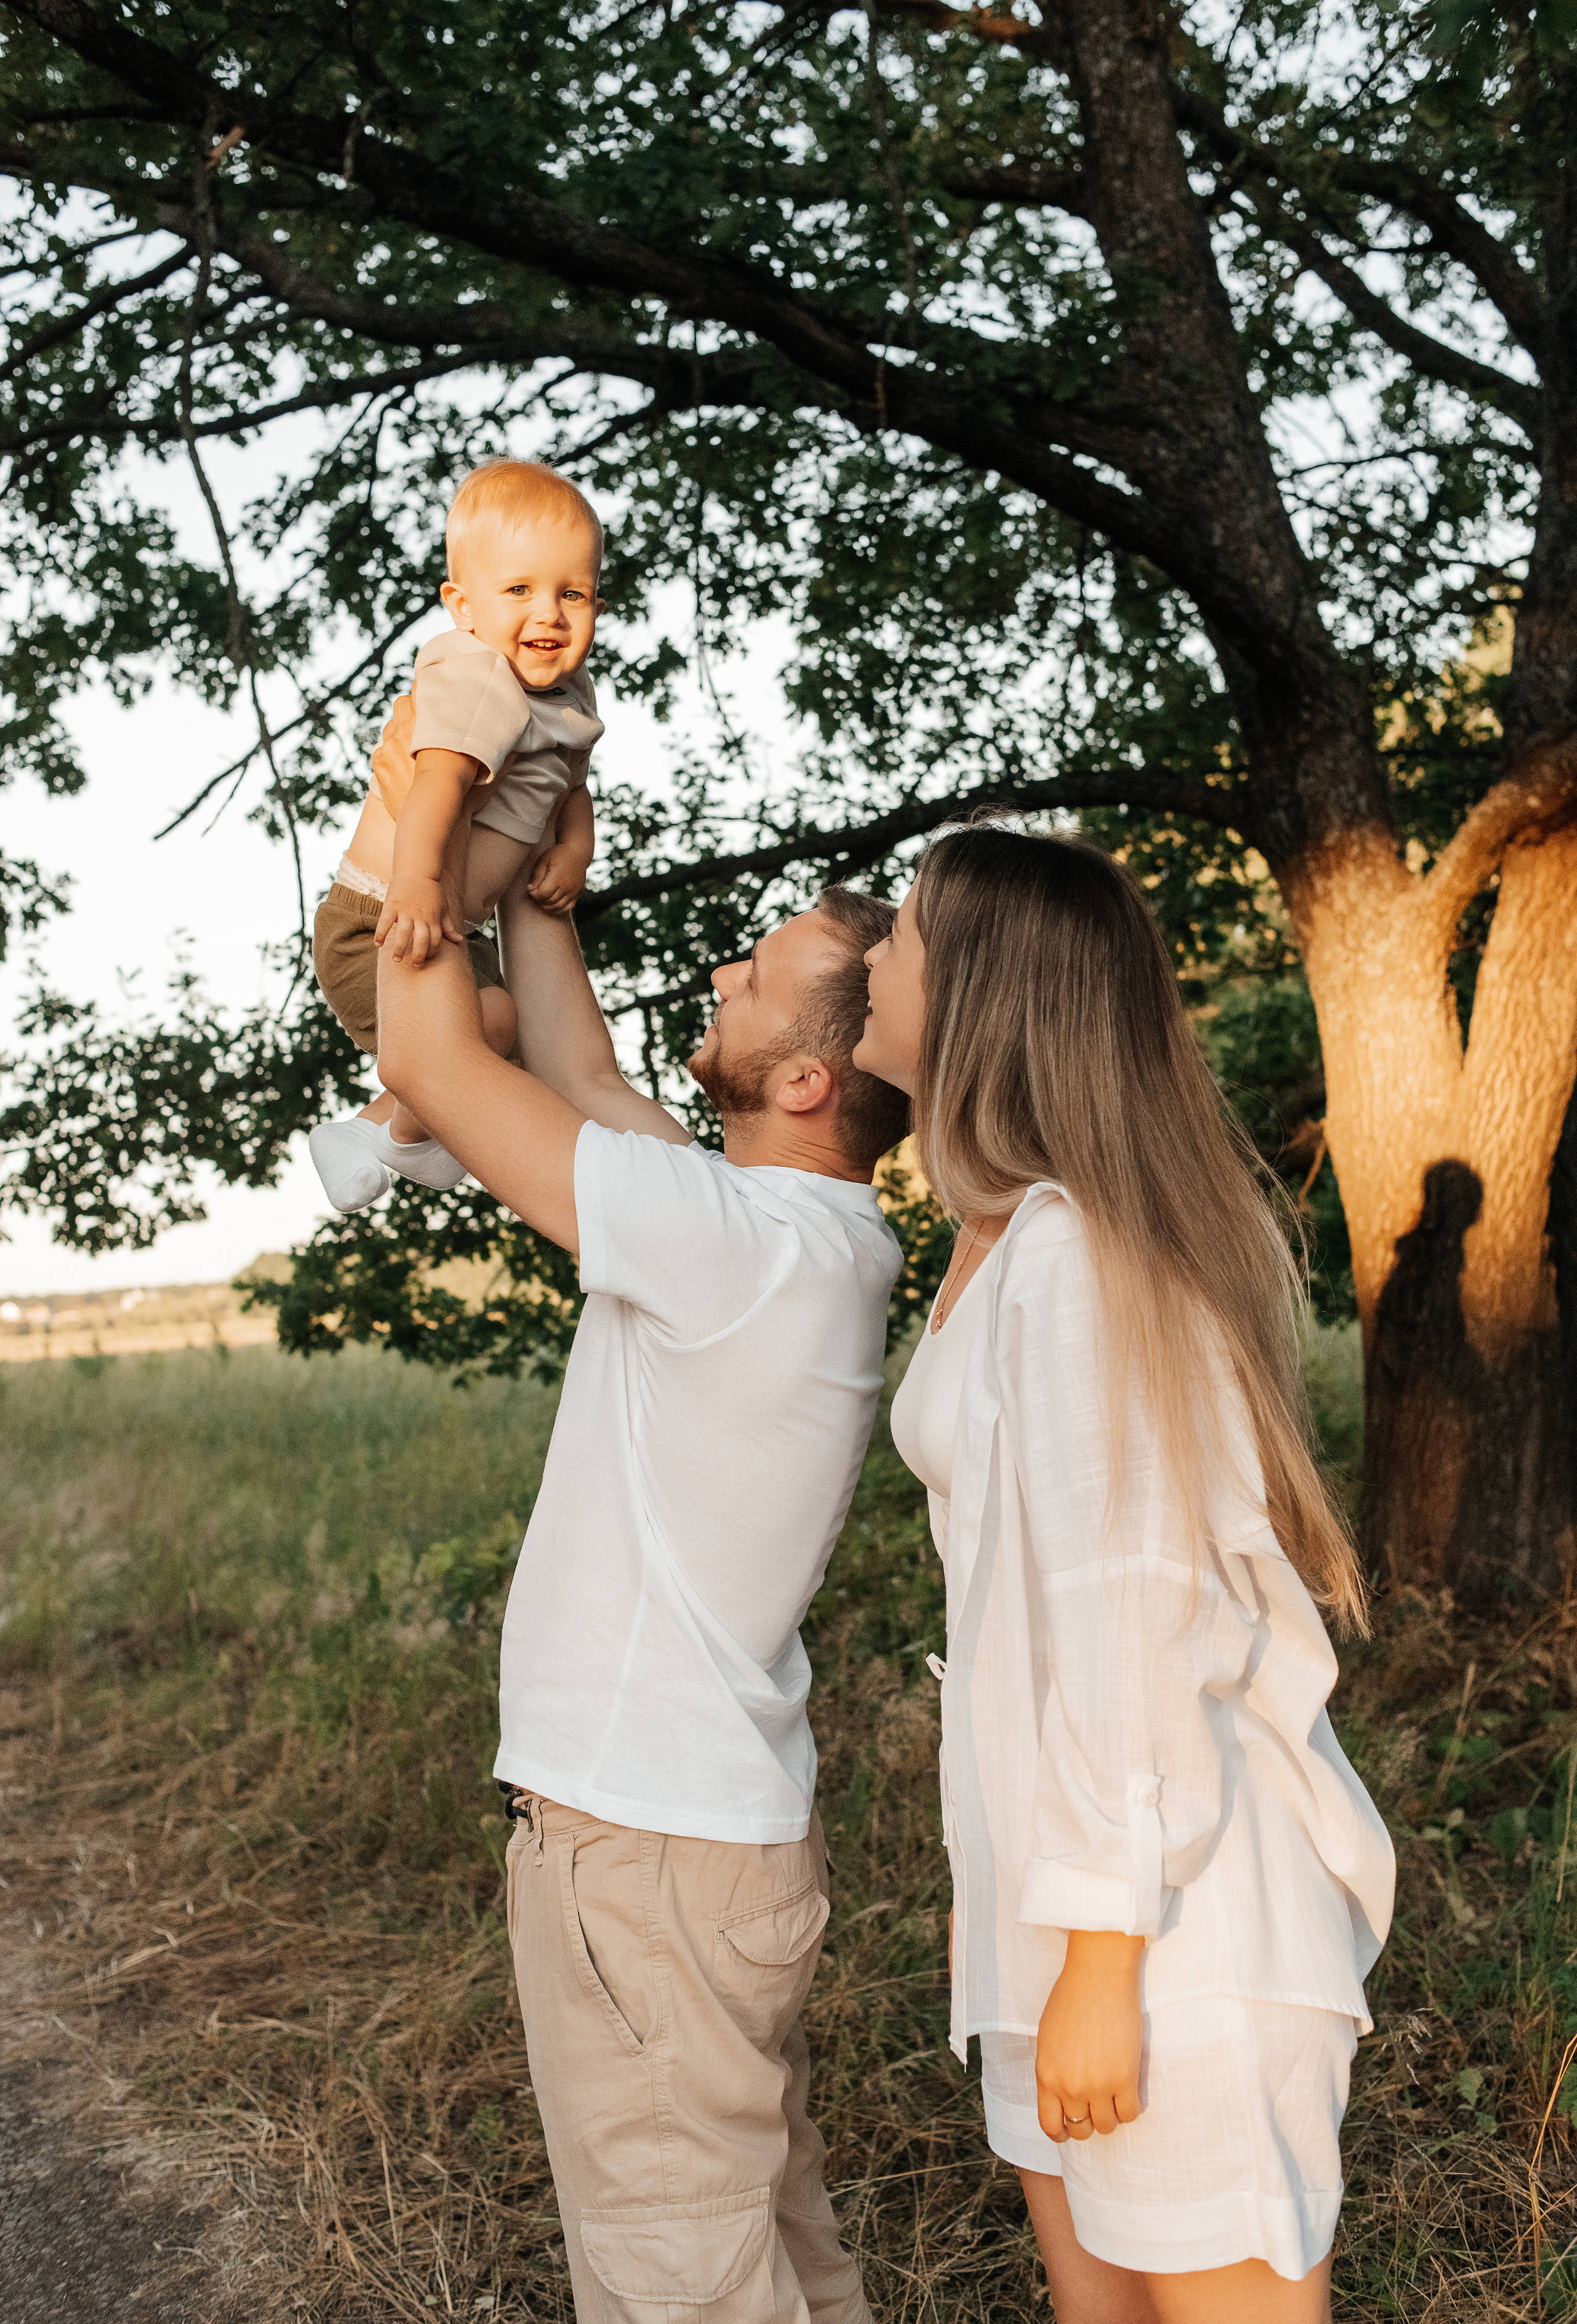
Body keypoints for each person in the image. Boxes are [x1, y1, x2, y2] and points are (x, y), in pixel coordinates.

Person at [855, 823, 1395, 2324]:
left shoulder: (1079, 1261)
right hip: (1061, 1908)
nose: (871, 955)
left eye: (899, 931)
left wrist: (1097, 1956)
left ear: (977, 991)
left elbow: (1133, 1612)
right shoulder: (1013, 1235)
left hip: (1165, 1934)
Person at [376, 882, 912, 2324]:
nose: (724, 968)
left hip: (647, 1857)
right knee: (766, 2252)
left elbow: (432, 1061)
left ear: (805, 1079)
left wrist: (431, 819)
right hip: (709, 1845)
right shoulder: (794, 1230)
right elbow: (584, 1076)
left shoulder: (731, 1243)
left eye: (761, 973)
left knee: (682, 2284)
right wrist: (540, 896)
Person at [309, 457, 681, 1212]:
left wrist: (576, 850)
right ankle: (382, 1132)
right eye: (519, 591)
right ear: (463, 605)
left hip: (454, 919)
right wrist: (416, 885)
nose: (549, 614)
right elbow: (434, 789)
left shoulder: (571, 697)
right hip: (382, 911)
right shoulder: (474, 674)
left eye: (571, 594)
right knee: (492, 1028)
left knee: (498, 1035)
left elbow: (570, 790)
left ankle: (392, 1133)